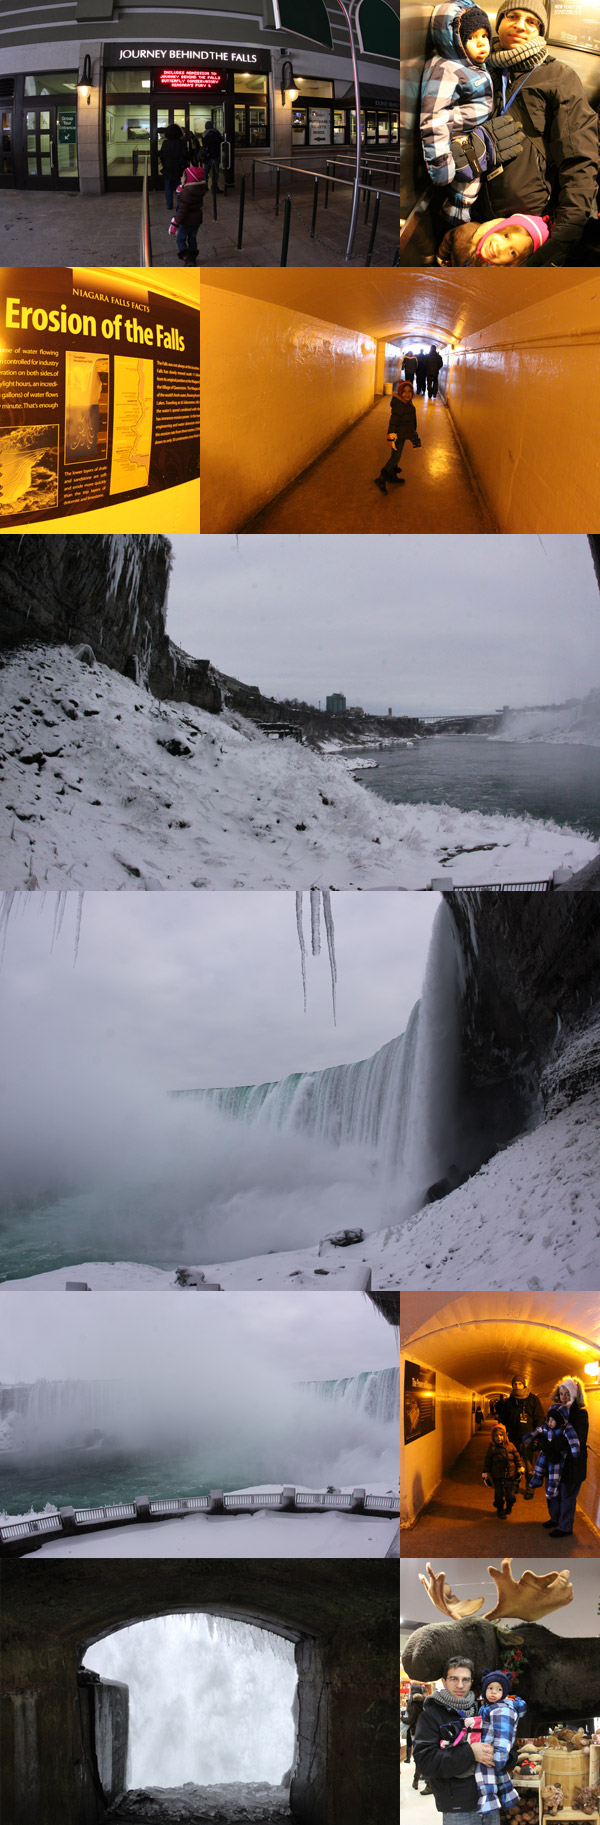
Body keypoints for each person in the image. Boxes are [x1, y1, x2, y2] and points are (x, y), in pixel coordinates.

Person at [469, 1, 599, 265]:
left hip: (524, 233)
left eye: (532, 22)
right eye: (512, 16)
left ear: (540, 32)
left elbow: (579, 162)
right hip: (473, 217)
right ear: (500, 23)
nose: (520, 25)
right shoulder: (479, 70)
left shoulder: (558, 77)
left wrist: (560, 243)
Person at [420, 1, 494, 228]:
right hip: (457, 142)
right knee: (465, 188)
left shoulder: (470, 64)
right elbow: (435, 117)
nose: (481, 43)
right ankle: (454, 226)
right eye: (471, 38)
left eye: (484, 36)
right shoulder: (446, 69)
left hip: (471, 136)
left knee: (472, 183)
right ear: (454, 40)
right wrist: (441, 163)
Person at [413, 1656, 495, 1819]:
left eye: (465, 1680)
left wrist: (506, 1755)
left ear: (471, 1682)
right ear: (443, 1681)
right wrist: (471, 1753)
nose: (460, 1685)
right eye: (454, 1679)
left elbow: (505, 1742)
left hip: (491, 1801)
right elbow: (426, 1762)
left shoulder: (484, 1710)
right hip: (458, 1808)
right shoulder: (431, 1716)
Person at [525, 1401, 581, 1537]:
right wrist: (529, 1438)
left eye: (552, 1420)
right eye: (548, 1419)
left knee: (557, 1491)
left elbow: (574, 1441)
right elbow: (538, 1430)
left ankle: (564, 1527)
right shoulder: (547, 1426)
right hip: (547, 1458)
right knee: (549, 1489)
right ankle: (554, 1519)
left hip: (559, 1462)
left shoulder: (571, 1424)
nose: (549, 1422)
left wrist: (575, 1452)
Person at [438, 210, 550, 262]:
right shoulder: (467, 233)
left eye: (512, 252)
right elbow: (450, 238)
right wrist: (442, 257)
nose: (500, 248)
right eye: (506, 236)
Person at [501, 1376, 544, 1500]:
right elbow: (503, 1419)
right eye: (515, 1384)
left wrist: (537, 1437)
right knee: (514, 1464)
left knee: (530, 1466)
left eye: (520, 1383)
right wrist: (504, 1434)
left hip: (528, 1439)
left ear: (524, 1385)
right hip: (513, 1438)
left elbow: (539, 1419)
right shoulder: (509, 1402)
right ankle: (515, 1485)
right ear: (512, 1385)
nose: (517, 1386)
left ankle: (530, 1488)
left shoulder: (533, 1400)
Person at [374, 381, 421, 495]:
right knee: (395, 457)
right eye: (404, 392)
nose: (407, 394)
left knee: (396, 456)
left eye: (409, 391)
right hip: (397, 436)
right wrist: (391, 435)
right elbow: (393, 422)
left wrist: (413, 432)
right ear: (400, 393)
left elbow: (410, 421)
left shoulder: (408, 404)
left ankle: (392, 475)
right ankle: (382, 478)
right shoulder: (400, 406)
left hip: (403, 435)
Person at [482, 1424, 523, 1516]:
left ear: (505, 1436)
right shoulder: (492, 1448)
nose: (498, 1438)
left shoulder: (511, 1446)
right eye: (496, 1436)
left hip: (510, 1476)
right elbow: (487, 1461)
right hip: (497, 1476)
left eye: (501, 1435)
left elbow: (517, 1458)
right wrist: (485, 1473)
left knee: (510, 1495)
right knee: (499, 1495)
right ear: (493, 1437)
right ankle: (500, 1509)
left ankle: (509, 1506)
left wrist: (520, 1467)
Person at [172, 163, 207, 266]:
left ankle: (187, 257)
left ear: (189, 180)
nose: (181, 178)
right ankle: (193, 256)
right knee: (192, 238)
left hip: (186, 221)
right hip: (196, 220)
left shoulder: (186, 193)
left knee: (180, 239)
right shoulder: (197, 190)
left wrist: (175, 223)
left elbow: (182, 210)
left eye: (183, 176)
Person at [404, 1685, 433, 1793]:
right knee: (423, 1756)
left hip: (415, 1733)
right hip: (426, 1732)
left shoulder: (411, 1703)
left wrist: (402, 1718)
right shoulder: (426, 1701)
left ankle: (427, 1783)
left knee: (419, 1758)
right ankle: (417, 1781)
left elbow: (410, 1720)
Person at [159, 123, 188, 210]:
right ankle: (179, 205)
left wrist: (164, 163)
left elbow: (162, 155)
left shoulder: (165, 143)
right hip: (179, 168)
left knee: (168, 187)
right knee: (180, 187)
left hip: (167, 168)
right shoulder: (181, 143)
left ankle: (169, 204)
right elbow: (185, 155)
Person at [202, 120, 224, 194]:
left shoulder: (204, 135)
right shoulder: (215, 133)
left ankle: (204, 187)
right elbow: (221, 141)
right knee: (215, 173)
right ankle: (214, 188)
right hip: (214, 156)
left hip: (206, 157)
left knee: (205, 173)